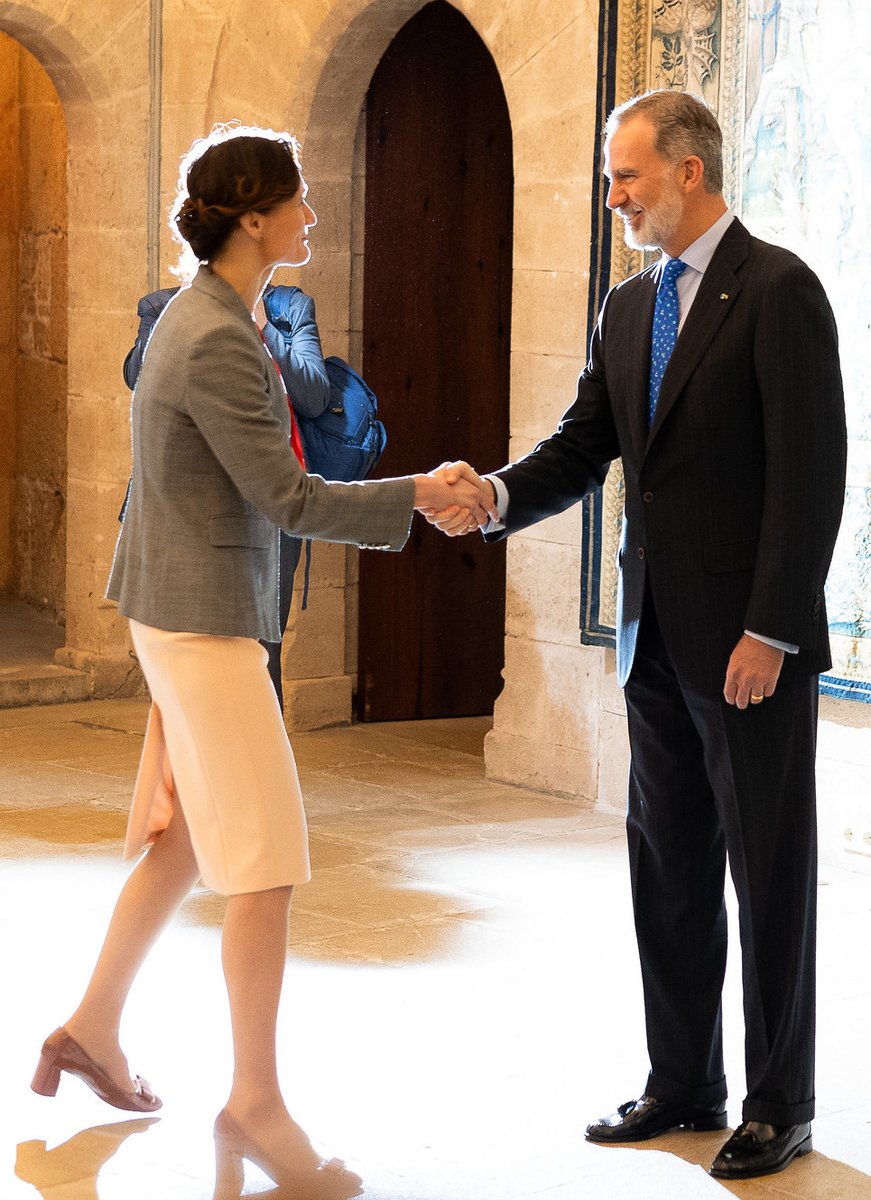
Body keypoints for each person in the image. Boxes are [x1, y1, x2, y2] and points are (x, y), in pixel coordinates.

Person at [29, 123, 494, 1200]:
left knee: (192, 842)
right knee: (269, 863)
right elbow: (286, 498)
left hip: (181, 610)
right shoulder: (217, 339)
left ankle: (91, 1030)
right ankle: (253, 1103)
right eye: (297, 202)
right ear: (252, 217)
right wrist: (423, 493)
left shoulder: (213, 320)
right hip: (201, 626)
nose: (311, 217)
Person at [433, 90, 847, 1181]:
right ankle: (683, 1083)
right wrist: (494, 497)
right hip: (651, 640)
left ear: (688, 173)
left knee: (768, 874)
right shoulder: (627, 306)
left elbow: (810, 482)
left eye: (626, 176)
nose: (612, 194)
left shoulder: (779, 291)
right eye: (611, 178)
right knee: (665, 865)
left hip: (750, 649)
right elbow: (581, 448)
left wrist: (770, 629)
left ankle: (779, 1103)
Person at [122, 280, 327, 709]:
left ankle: (263, 767)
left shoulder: (289, 308)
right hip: (187, 509)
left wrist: (262, 328)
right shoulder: (164, 305)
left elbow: (313, 395)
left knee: (261, 651)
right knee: (189, 656)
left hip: (270, 509)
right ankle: (195, 769)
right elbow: (139, 379)